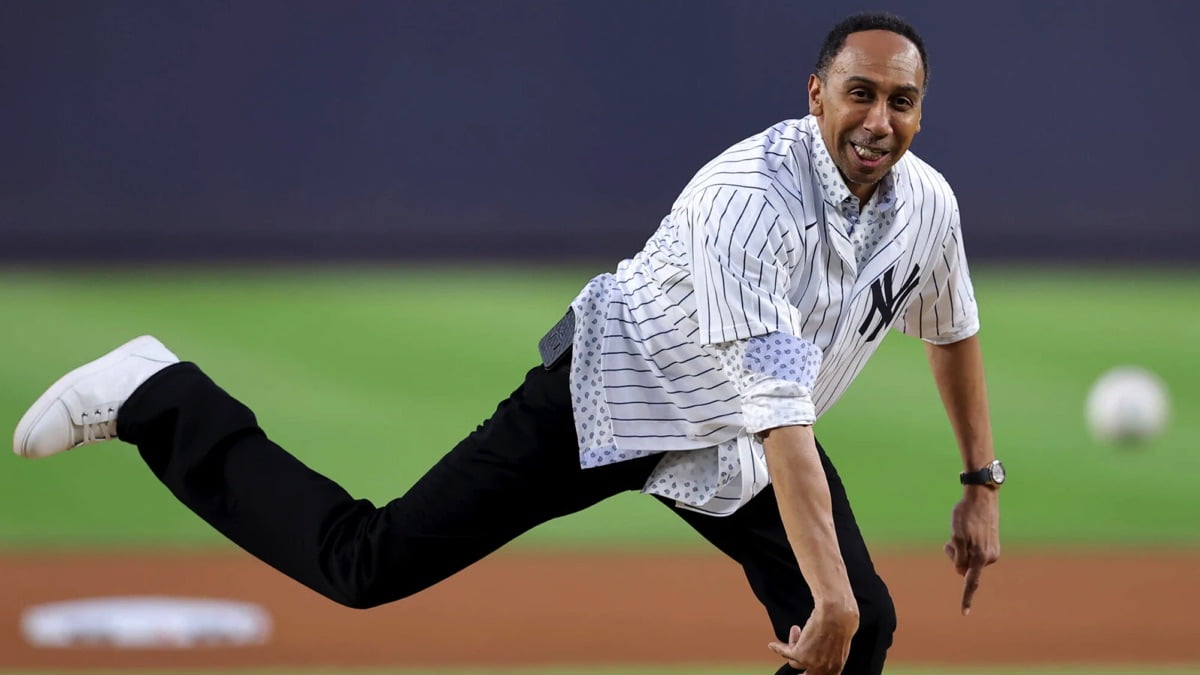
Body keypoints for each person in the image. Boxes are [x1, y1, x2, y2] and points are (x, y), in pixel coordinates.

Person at [13, 11, 1001, 675]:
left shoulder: (927, 204)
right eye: (860, 93)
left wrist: (978, 481)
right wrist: (826, 594)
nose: (880, 118)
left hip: (729, 433)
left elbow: (950, 325)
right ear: (817, 93)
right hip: (616, 393)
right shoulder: (749, 202)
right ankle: (160, 396)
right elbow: (786, 423)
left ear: (923, 108)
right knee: (369, 566)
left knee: (857, 629)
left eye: (901, 100)